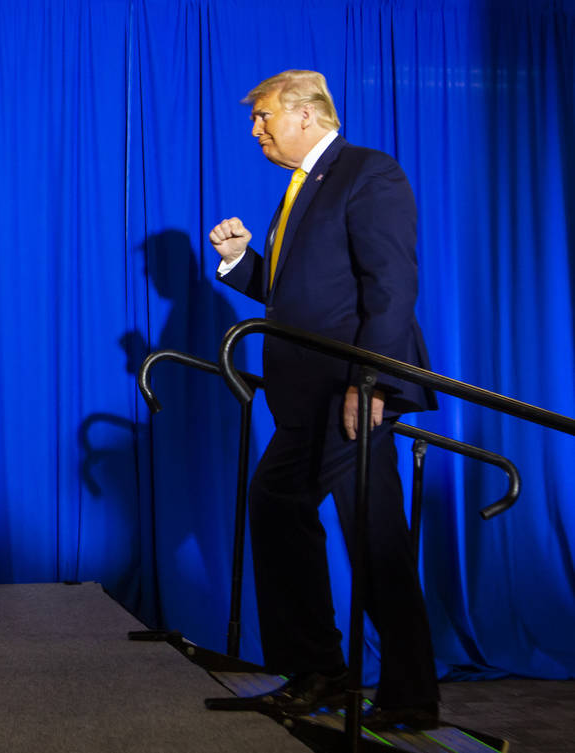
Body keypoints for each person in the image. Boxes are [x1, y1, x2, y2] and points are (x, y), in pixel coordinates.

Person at [208, 70, 439, 731]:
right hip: (303, 401)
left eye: (264, 118)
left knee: (375, 538)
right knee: (277, 506)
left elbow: (391, 287)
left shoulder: (369, 174)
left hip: (350, 392)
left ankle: (410, 693)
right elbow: (300, 296)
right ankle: (318, 671)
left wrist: (371, 384)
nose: (256, 130)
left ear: (306, 116)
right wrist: (242, 263)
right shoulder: (299, 189)